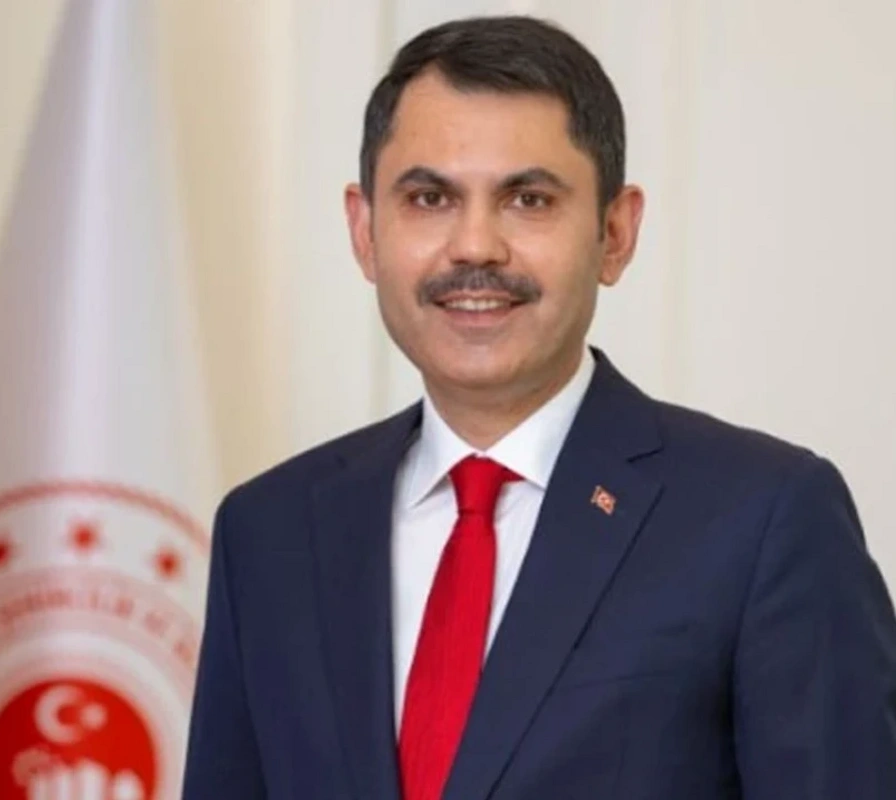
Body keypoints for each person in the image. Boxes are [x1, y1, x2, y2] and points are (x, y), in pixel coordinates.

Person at [180, 15, 896, 800]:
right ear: (365, 230)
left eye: (527, 199)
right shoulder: (268, 532)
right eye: (429, 197)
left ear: (615, 233)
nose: (475, 246)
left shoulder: (765, 519)